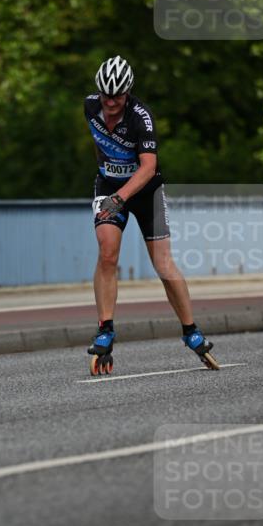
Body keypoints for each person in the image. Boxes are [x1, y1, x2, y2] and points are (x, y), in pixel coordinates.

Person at [85, 55, 218, 373]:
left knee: (163, 264)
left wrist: (119, 198)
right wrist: (108, 181)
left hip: (146, 191)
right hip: (109, 186)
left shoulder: (141, 117)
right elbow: (100, 144)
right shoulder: (90, 106)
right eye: (105, 95)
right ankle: (105, 330)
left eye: (117, 96)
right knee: (107, 253)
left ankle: (191, 330)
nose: (110, 102)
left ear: (128, 92)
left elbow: (148, 167)